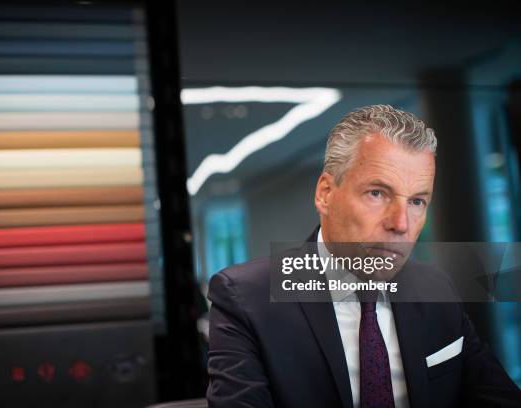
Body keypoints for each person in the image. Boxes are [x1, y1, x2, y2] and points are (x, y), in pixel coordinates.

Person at [206, 105, 521, 407]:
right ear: (325, 193)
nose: (401, 224)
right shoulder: (246, 298)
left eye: (417, 202)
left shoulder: (436, 289)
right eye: (377, 193)